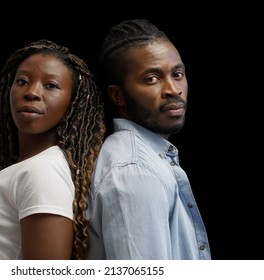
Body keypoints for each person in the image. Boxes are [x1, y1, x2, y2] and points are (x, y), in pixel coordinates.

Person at [0, 39, 105, 260]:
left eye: (51, 85)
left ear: (73, 103)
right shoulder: (30, 167)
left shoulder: (43, 171)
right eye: (22, 81)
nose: (32, 92)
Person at [85, 19, 211, 260]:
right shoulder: (134, 171)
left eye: (178, 74)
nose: (173, 89)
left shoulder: (149, 158)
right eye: (152, 79)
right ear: (117, 95)